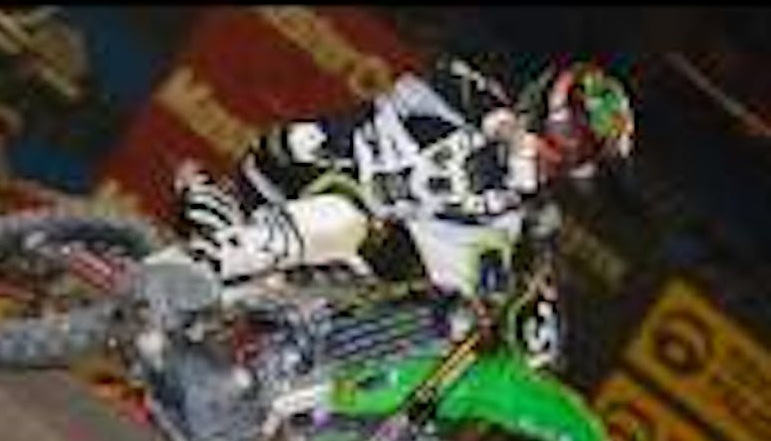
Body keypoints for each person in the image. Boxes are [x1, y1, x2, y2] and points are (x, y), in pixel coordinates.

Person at [174, 57, 634, 365]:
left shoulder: (503, 218)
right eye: (567, 128)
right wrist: (507, 132)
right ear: (544, 101)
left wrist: (513, 315)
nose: (563, 148)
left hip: (328, 259)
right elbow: (447, 76)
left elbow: (465, 287)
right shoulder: (469, 98)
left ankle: (296, 409)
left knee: (410, 314)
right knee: (349, 220)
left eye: (580, 147)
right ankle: (207, 258)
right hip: (304, 167)